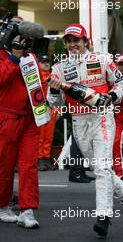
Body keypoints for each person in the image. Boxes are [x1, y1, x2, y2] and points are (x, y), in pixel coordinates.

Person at [47, 23, 123, 237]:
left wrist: (113, 97)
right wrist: (53, 91)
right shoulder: (59, 69)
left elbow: (120, 84)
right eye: (69, 41)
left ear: (86, 41)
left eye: (76, 40)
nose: (73, 45)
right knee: (101, 168)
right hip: (79, 122)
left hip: (103, 117)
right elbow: (54, 103)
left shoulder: (103, 59)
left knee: (101, 168)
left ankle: (103, 217)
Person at [0, 20, 48, 228]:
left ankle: (27, 210)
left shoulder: (32, 57)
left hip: (30, 118)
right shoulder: (4, 55)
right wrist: (13, 57)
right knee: (4, 166)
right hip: (7, 118)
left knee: (29, 166)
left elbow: (39, 84)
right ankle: (2, 206)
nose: (23, 39)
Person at [38, 55, 58, 171]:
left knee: (49, 136)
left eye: (47, 62)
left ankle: (46, 158)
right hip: (40, 109)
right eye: (43, 62)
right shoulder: (37, 76)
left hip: (52, 109)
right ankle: (40, 158)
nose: (46, 64)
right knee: (41, 135)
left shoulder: (53, 77)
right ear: (39, 64)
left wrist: (58, 110)